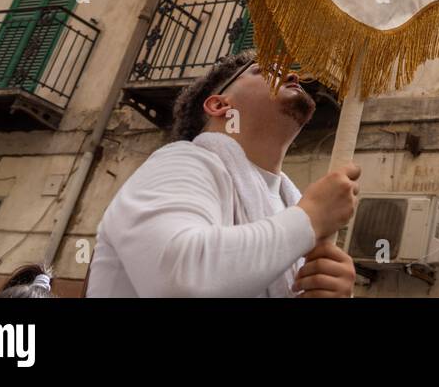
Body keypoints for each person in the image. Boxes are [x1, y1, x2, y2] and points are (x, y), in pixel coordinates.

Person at [87, 50, 359, 298]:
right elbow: (179, 280)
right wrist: (310, 218)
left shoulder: (289, 202)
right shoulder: (181, 161)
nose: (292, 74)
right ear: (219, 105)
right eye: (266, 71)